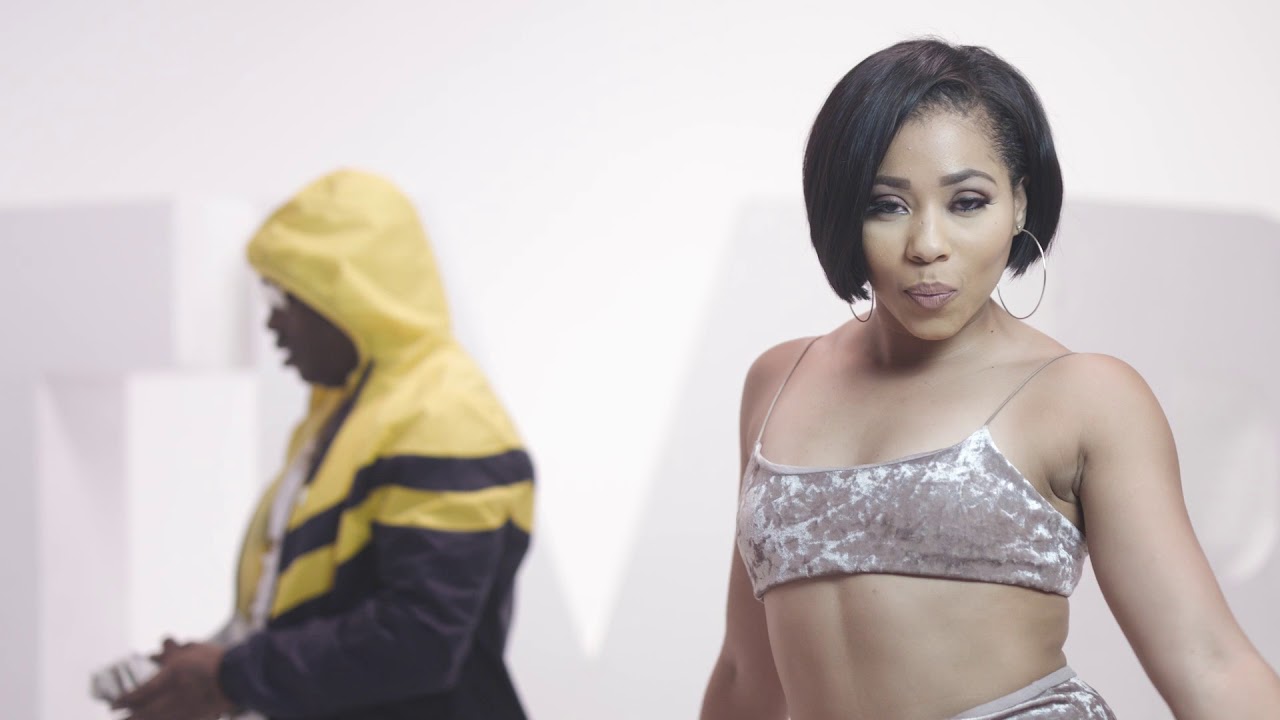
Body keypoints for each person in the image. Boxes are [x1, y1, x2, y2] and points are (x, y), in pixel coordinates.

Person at [699, 39, 1280, 719]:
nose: (927, 245)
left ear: (1019, 205)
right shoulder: (777, 381)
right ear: (843, 211)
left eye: (967, 202)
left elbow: (1210, 663)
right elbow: (745, 673)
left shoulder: (1085, 397)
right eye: (887, 205)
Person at [114, 169, 536, 720]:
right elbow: (314, 607)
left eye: (288, 296)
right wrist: (212, 662)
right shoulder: (355, 414)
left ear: (352, 297)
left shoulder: (445, 418)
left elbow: (418, 640)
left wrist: (229, 675)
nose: (273, 322)